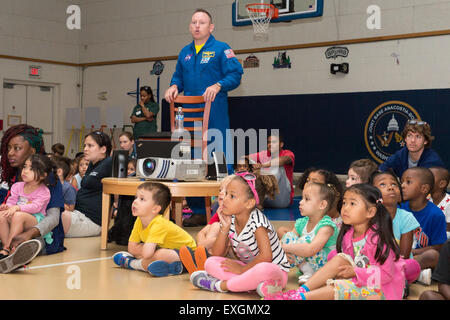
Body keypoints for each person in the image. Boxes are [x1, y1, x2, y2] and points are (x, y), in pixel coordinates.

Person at [266, 184, 413, 300]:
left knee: (340, 285)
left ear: (370, 212)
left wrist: (355, 272)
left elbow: (386, 274)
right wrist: (338, 265)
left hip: (383, 291)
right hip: (364, 281)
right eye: (344, 203)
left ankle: (300, 298)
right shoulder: (349, 234)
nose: (345, 208)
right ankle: (300, 292)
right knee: (339, 259)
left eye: (352, 204)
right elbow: (345, 259)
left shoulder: (377, 239)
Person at [165, 8, 243, 226]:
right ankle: (199, 210)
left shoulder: (222, 49)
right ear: (190, 27)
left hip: (215, 116)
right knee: (190, 163)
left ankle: (228, 211)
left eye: (202, 22)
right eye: (194, 22)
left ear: (211, 27)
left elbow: (236, 75)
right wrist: (173, 86)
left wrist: (219, 85)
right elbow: (178, 77)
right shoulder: (184, 53)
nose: (197, 26)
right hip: (189, 118)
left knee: (219, 162)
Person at [189, 171, 291, 298]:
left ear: (249, 203)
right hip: (248, 269)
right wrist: (224, 228)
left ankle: (221, 286)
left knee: (264, 269)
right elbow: (217, 253)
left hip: (275, 271)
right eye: (225, 193)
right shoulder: (230, 218)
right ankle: (255, 286)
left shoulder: (258, 223)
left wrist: (242, 270)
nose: (224, 199)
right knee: (210, 262)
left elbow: (266, 257)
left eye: (232, 196)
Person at [0, 124, 65, 273]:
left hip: (40, 232)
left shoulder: (47, 177)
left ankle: (13, 252)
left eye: (17, 148)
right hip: (11, 229)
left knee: (23, 227)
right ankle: (8, 253)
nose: (10, 153)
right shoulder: (14, 176)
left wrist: (28, 234)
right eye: (8, 148)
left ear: (33, 151)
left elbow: (54, 218)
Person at [112, 182, 197, 277]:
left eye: (142, 199)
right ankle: (172, 268)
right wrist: (144, 251)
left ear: (155, 209)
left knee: (160, 254)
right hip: (167, 250)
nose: (135, 201)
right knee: (155, 254)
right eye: (135, 197)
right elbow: (132, 248)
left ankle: (132, 263)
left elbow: (146, 254)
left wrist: (144, 252)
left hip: (189, 253)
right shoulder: (139, 221)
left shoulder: (159, 223)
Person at [278, 182, 338, 284]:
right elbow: (289, 240)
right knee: (289, 236)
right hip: (308, 264)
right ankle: (307, 271)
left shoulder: (326, 226)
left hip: (325, 266)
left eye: (307, 199)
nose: (301, 202)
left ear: (322, 204)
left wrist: (283, 248)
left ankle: (314, 275)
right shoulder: (302, 222)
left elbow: (310, 250)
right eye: (302, 198)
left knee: (305, 241)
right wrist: (284, 252)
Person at [400, 167, 447, 285]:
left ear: (424, 188)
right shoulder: (400, 208)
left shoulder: (436, 214)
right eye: (402, 182)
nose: (402, 186)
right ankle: (417, 274)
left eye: (408, 182)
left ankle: (405, 273)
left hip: (416, 255)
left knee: (433, 256)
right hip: (398, 254)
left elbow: (438, 247)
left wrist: (412, 252)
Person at [0, 154, 53, 258]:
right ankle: (7, 249)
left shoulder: (44, 191)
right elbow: (12, 201)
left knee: (18, 216)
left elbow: (36, 207)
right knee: (2, 215)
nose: (25, 171)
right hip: (17, 214)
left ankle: (8, 247)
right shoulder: (17, 186)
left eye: (31, 169)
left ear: (42, 175)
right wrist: (8, 207)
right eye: (25, 166)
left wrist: (17, 208)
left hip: (36, 218)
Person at [61, 130, 112, 238]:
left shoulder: (109, 162)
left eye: (90, 145)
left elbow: (114, 197)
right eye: (85, 145)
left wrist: (105, 228)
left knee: (59, 215)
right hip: (77, 213)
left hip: (90, 220)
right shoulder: (92, 164)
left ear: (103, 149)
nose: (85, 149)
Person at [370, 170, 419, 259]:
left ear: (400, 196)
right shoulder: (368, 216)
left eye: (393, 184)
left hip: (399, 264)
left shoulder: (406, 217)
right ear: (373, 195)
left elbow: (404, 256)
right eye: (382, 184)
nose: (390, 188)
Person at [379, 119, 444, 178]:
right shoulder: (401, 154)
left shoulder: (433, 162)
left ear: (425, 141)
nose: (413, 140)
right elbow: (381, 170)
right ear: (405, 138)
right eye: (409, 135)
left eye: (418, 136)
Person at [247, 133, 295, 209]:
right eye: (268, 142)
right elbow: (245, 158)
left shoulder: (287, 153)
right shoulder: (264, 154)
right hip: (263, 198)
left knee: (278, 167)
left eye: (273, 142)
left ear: (281, 144)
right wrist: (253, 164)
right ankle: (257, 200)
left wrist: (263, 165)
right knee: (246, 165)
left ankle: (258, 201)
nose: (270, 144)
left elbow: (284, 160)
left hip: (281, 199)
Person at [427, 166, 450, 239]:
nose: (424, 180)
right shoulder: (426, 199)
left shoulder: (448, 203)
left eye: (429, 178)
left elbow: (447, 229)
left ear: (442, 184)